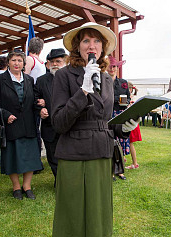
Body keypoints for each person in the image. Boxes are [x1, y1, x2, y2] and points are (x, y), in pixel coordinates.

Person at [51, 22, 138, 237]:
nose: (92, 45)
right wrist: (83, 92)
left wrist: (124, 128)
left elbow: (103, 120)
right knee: (72, 214)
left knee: (98, 214)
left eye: (97, 41)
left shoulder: (107, 78)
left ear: (103, 47)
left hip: (101, 152)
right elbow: (59, 122)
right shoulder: (64, 75)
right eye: (86, 40)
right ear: (77, 46)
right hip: (73, 153)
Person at [0, 50, 42, 200]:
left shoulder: (30, 80)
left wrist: (41, 105)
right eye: (14, 60)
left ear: (24, 63)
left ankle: (27, 186)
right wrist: (5, 115)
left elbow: (33, 100)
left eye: (20, 60)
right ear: (8, 62)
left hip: (28, 124)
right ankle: (16, 186)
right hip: (11, 124)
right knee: (12, 156)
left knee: (30, 157)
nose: (17, 63)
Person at [34, 48, 67, 187]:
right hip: (49, 126)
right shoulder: (41, 81)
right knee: (52, 156)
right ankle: (58, 181)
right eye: (52, 61)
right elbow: (34, 99)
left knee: (67, 156)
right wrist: (40, 109)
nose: (55, 64)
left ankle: (67, 181)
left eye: (58, 61)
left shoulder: (72, 78)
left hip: (68, 126)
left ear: (65, 62)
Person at [107, 55, 130, 180]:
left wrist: (126, 102)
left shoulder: (123, 83)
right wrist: (117, 100)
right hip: (108, 115)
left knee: (121, 142)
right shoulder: (103, 81)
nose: (112, 69)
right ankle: (110, 170)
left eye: (114, 66)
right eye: (110, 66)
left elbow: (128, 98)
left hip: (121, 114)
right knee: (110, 142)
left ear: (117, 67)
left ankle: (120, 170)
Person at [24, 37, 46, 165]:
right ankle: (36, 157)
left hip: (30, 99)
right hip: (38, 99)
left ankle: (34, 159)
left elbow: (26, 78)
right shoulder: (41, 63)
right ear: (41, 49)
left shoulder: (29, 59)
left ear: (28, 47)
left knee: (32, 129)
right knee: (36, 129)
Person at [126, 82, 142, 170]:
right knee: (127, 142)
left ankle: (135, 163)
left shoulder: (130, 99)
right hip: (132, 122)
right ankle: (125, 159)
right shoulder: (131, 98)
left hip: (131, 122)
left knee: (130, 142)